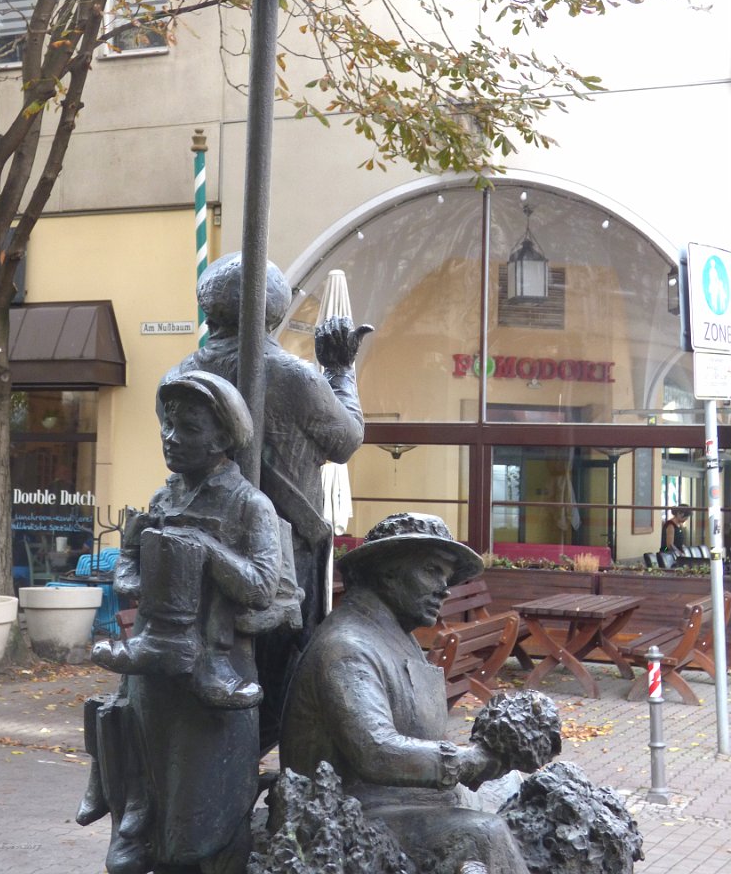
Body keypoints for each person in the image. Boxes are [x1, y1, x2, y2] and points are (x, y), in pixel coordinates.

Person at [79, 370, 282, 874]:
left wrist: (205, 550)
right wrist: (143, 566)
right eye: (168, 425)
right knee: (145, 789)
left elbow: (262, 586)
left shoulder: (249, 505)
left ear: (222, 438)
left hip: (213, 678)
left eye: (189, 428)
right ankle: (133, 821)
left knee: (198, 820)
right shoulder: (161, 499)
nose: (171, 438)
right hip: (151, 671)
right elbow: (127, 573)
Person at [169, 252, 372, 748]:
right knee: (278, 680)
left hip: (201, 541)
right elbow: (346, 439)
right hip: (282, 557)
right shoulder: (294, 376)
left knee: (214, 663)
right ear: (274, 314)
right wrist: (341, 370)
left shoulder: (182, 373)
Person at [279, 512, 532, 874]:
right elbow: (376, 750)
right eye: (432, 570)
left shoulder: (397, 636)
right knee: (485, 833)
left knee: (511, 791)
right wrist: (465, 761)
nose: (445, 588)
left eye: (447, 577)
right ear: (387, 570)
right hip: (353, 815)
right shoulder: (347, 646)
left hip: (408, 799)